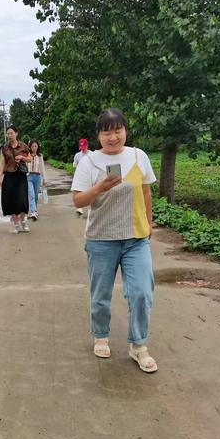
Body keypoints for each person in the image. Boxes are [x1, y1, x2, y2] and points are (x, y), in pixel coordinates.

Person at [71, 109, 158, 373]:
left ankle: (138, 345)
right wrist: (99, 188)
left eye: (118, 130)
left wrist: (149, 222)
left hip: (136, 238)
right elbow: (77, 200)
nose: (113, 137)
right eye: (107, 131)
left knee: (142, 292)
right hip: (101, 239)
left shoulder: (138, 156)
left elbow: (145, 191)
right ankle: (100, 335)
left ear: (125, 131)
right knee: (101, 295)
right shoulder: (89, 162)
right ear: (98, 135)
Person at [0, 125, 32, 234]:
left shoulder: (23, 146)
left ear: (16, 134)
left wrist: (22, 158)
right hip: (9, 176)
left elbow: (30, 159)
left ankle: (23, 221)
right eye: (7, 133)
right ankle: (16, 224)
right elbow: (2, 163)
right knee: (10, 200)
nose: (9, 135)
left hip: (21, 176)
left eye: (11, 133)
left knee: (22, 200)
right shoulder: (4, 148)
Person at [27, 139, 47, 221]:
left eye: (35, 146)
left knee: (35, 196)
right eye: (32, 146)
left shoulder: (40, 156)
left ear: (38, 147)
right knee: (31, 194)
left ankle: (34, 211)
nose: (34, 148)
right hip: (29, 177)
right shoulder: (27, 155)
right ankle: (33, 211)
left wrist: (44, 178)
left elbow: (42, 167)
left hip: (37, 177)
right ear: (30, 147)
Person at [73, 139, 93, 215]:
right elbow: (75, 166)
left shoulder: (92, 154)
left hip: (90, 175)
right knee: (79, 192)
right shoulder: (77, 155)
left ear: (87, 145)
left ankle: (91, 208)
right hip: (80, 176)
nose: (83, 149)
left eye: (84, 147)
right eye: (81, 147)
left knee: (90, 192)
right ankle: (79, 208)